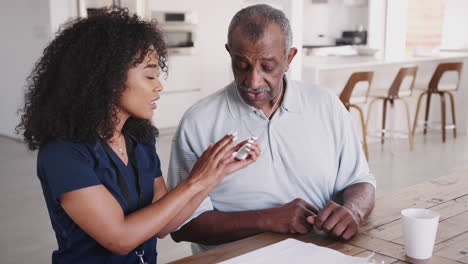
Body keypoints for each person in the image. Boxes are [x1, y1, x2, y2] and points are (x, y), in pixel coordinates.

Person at [16, 7, 260, 264]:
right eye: (150, 75)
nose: (159, 85)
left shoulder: (139, 140)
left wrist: (215, 174)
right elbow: (120, 238)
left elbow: (166, 225)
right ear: (108, 78)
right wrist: (195, 181)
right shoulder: (63, 153)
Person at [167, 4, 376, 254]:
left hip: (320, 254)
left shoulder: (326, 105)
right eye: (241, 65)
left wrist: (353, 211)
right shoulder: (199, 122)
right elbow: (183, 225)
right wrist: (267, 219)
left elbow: (360, 180)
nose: (253, 82)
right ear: (229, 53)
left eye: (268, 67)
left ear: (289, 59)